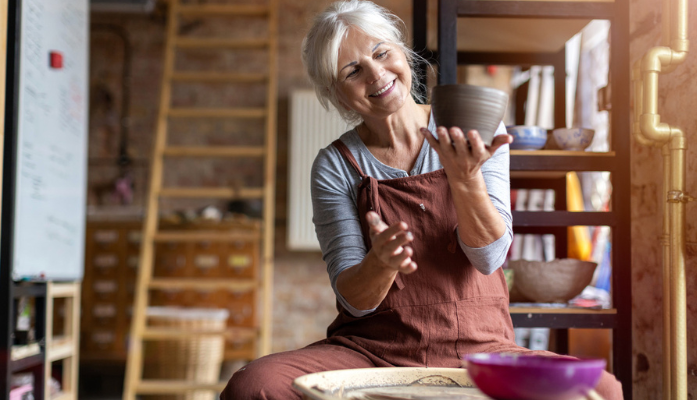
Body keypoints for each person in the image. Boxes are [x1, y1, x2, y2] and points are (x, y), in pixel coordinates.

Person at [221, 1, 624, 399]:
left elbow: (489, 258)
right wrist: (379, 264)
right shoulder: (335, 164)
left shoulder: (471, 127)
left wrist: (465, 179)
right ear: (337, 95)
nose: (377, 74)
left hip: (480, 350)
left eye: (382, 53)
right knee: (254, 386)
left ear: (403, 54)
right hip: (373, 352)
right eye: (353, 70)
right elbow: (354, 302)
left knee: (601, 389)